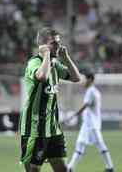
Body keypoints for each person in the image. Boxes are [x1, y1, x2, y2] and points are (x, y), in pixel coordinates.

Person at [19, 27, 81, 172]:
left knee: (62, 169)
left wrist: (66, 58)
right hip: (34, 129)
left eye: (59, 42)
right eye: (54, 43)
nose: (58, 46)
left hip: (52, 128)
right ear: (43, 46)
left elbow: (76, 78)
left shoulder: (55, 65)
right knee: (33, 170)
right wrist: (46, 55)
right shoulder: (34, 63)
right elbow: (42, 76)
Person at [66, 72, 114, 172]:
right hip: (87, 124)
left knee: (100, 144)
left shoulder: (91, 92)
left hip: (92, 125)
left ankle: (110, 167)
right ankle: (70, 167)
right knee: (80, 144)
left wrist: (74, 115)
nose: (83, 81)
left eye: (85, 79)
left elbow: (85, 105)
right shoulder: (94, 91)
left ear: (90, 80)